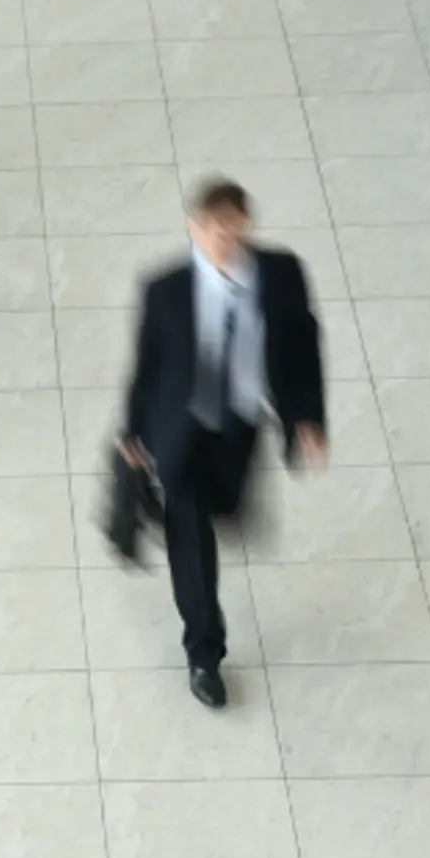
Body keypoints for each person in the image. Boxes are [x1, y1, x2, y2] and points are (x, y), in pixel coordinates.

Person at [121, 178, 327, 709]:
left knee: (225, 510)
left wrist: (306, 417)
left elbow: (302, 347)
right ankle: (204, 655)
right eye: (215, 231)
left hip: (240, 425)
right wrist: (133, 433)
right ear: (194, 229)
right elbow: (146, 368)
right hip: (181, 433)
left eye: (235, 230)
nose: (226, 242)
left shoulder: (281, 275)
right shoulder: (165, 291)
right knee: (191, 541)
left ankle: (202, 514)